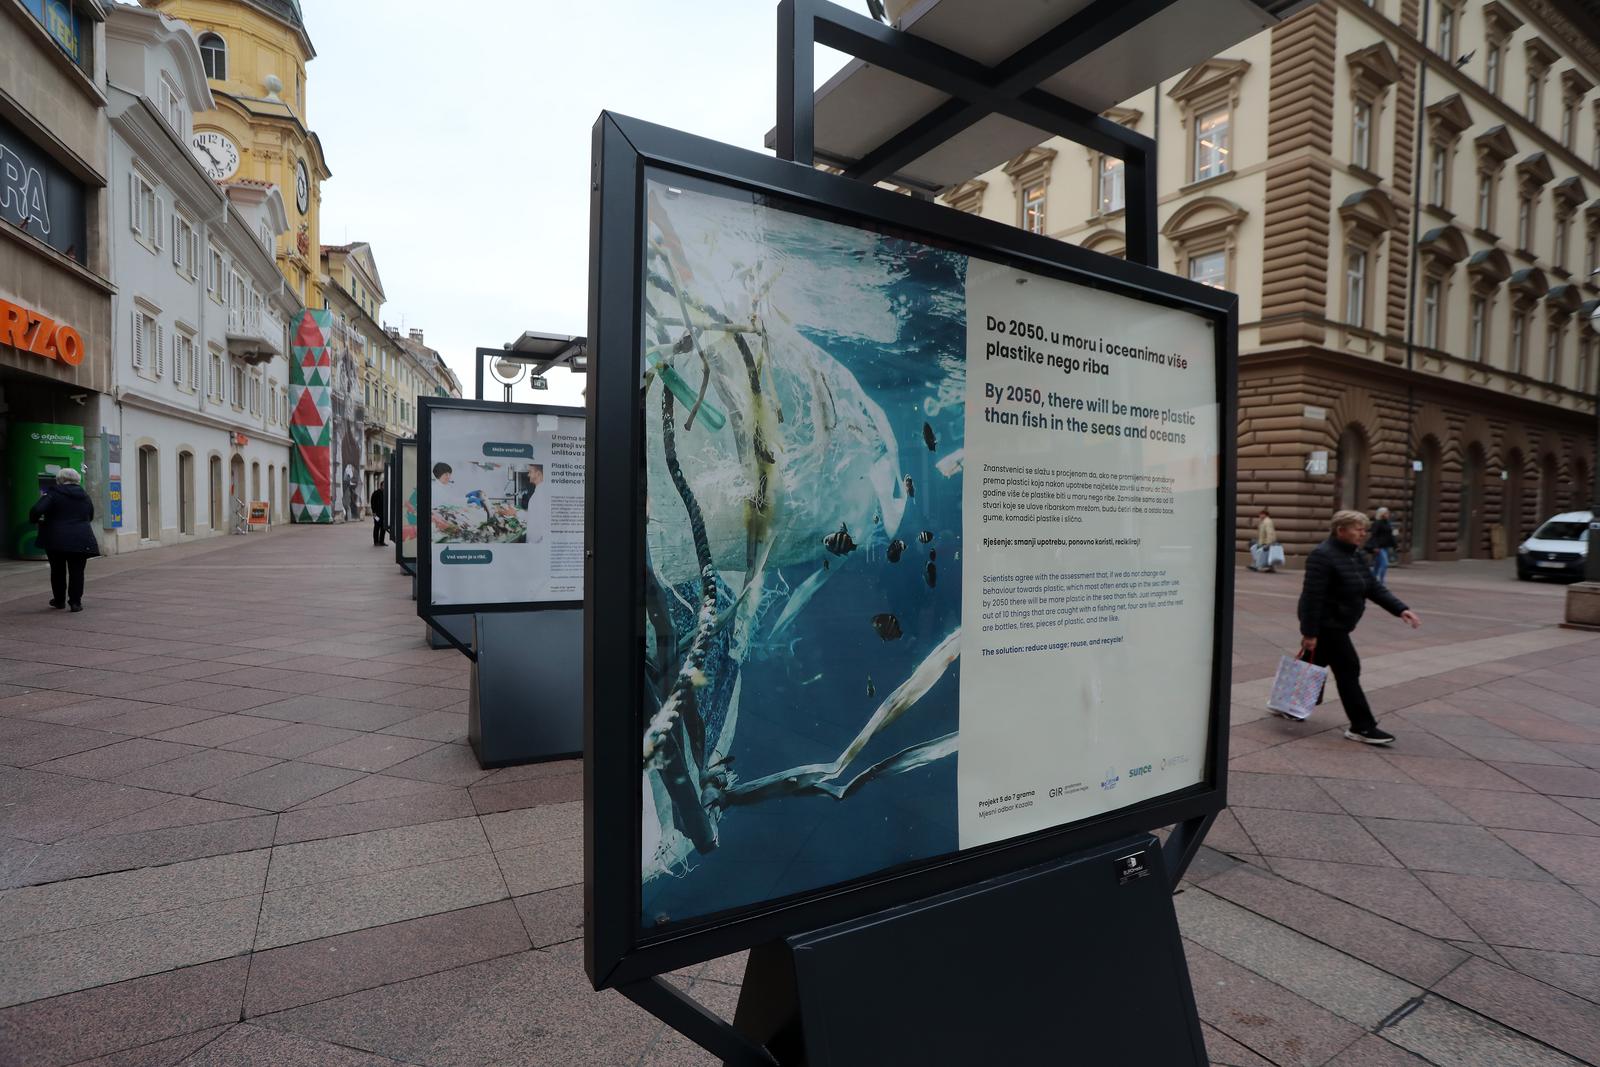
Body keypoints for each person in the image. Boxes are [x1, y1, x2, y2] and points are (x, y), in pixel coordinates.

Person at [1297, 510, 1422, 745]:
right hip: (1328, 625)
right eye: (1358, 529)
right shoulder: (1322, 556)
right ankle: (1362, 726)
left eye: (1364, 529)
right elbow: (1312, 598)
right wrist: (1310, 633)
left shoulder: (1355, 555)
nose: (1363, 534)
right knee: (1348, 670)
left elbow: (1373, 588)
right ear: (1340, 530)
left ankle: (1290, 705)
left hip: (1340, 623)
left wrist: (1400, 609)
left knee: (1312, 664)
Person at [28, 468, 99, 612]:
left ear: (59, 480)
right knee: (77, 571)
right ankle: (75, 603)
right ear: (77, 479)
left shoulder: (53, 493)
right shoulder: (84, 495)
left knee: (57, 570)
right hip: (81, 537)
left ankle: (59, 601)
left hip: (56, 539)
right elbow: (90, 515)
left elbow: (36, 510)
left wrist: (34, 520)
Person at [1365, 506, 1397, 582]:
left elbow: (1390, 535)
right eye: (1386, 513)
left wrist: (1395, 545)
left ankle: (1371, 580)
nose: (1388, 514)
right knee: (1385, 564)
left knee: (1377, 565)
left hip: (1386, 546)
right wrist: (1375, 547)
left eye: (1388, 513)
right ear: (1382, 514)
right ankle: (1381, 582)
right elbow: (1374, 536)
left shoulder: (1388, 523)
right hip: (1379, 547)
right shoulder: (1377, 523)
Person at [1251, 508, 1279, 572]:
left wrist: (1268, 543)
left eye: (1261, 514)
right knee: (1267, 555)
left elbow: (1270, 532)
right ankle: (1270, 568)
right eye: (1259, 514)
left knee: (1262, 554)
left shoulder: (1267, 522)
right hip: (1263, 541)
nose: (1259, 516)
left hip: (1266, 542)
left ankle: (1256, 566)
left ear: (1265, 515)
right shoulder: (1263, 521)